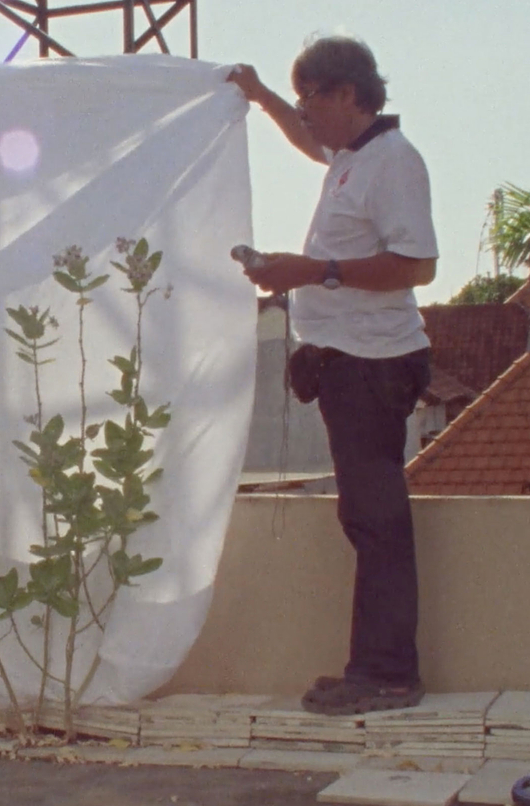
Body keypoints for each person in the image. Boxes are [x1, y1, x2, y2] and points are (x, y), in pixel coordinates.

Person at [229, 37, 435, 715]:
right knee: (364, 519)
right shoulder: (352, 156)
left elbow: (415, 267)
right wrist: (260, 97)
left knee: (376, 523)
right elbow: (305, 141)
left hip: (374, 366)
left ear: (349, 94)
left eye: (311, 95)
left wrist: (311, 271)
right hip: (346, 362)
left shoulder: (394, 162)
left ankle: (388, 676)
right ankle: (372, 669)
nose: (304, 109)